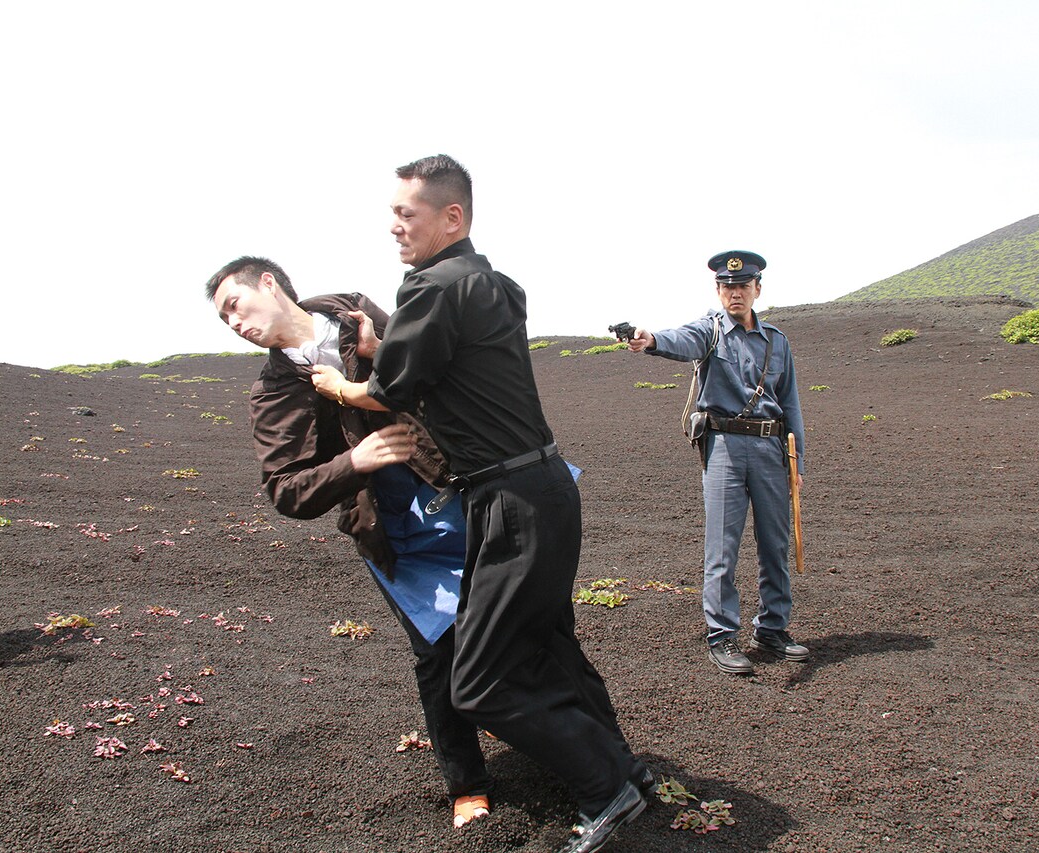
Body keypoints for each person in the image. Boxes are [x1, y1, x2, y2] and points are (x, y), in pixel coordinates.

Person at [309, 155, 650, 853]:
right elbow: (446, 359)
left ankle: (606, 787)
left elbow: (389, 391)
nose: (394, 227)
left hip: (509, 501)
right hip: (547, 486)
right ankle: (626, 772)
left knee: (480, 678)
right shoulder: (493, 282)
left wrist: (338, 386)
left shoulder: (431, 288)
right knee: (548, 646)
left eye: (407, 214)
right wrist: (388, 343)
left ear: (452, 217)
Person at [204, 256, 493, 830]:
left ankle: (584, 746)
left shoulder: (356, 312)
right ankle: (468, 783)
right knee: (437, 651)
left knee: (528, 615)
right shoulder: (270, 393)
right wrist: (353, 463)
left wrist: (378, 347)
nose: (233, 322)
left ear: (269, 283)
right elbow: (285, 490)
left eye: (234, 305)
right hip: (388, 528)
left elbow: (432, 373)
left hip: (462, 487)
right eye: (222, 320)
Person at [626, 250, 809, 676]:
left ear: (757, 289)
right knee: (722, 548)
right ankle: (722, 635)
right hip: (724, 447)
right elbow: (679, 340)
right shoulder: (709, 332)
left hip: (770, 450)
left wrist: (798, 463)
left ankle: (772, 629)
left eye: (743, 286)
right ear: (718, 291)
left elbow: (792, 404)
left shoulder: (777, 342)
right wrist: (650, 339)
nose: (735, 294)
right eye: (728, 288)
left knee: (774, 545)